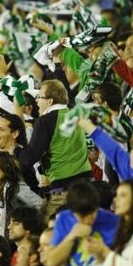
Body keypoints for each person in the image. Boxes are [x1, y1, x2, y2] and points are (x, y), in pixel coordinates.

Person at [18, 80, 91, 218]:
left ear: (50, 101)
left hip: (63, 192)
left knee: (53, 235)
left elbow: (30, 157)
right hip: (87, 186)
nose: (36, 102)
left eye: (39, 97)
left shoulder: (45, 121)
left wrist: (14, 150)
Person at [48, 182, 119, 266]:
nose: (88, 219)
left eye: (92, 213)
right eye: (82, 216)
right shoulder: (64, 219)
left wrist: (102, 250)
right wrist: (71, 237)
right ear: (72, 212)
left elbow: (123, 264)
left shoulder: (113, 221)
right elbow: (52, 262)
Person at [0, 152, 41, 237]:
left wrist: (27, 226)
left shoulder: (16, 187)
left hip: (14, 241)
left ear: (6, 167)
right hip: (1, 239)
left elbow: (39, 204)